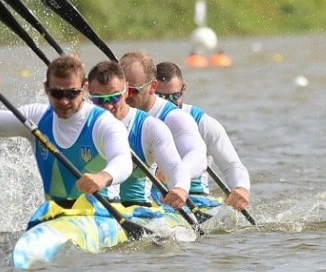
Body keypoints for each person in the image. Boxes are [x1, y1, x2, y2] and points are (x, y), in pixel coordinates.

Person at [0, 55, 134, 227]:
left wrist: (103, 176)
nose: (63, 101)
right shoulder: (35, 117)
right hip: (56, 216)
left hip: (102, 214)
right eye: (56, 93)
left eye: (72, 93)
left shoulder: (103, 122)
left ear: (84, 89)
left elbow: (123, 160)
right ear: (46, 88)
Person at [86, 61, 189, 211]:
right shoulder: (81, 121)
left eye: (114, 98)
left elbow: (175, 168)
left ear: (126, 91)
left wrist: (180, 188)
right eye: (99, 100)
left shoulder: (150, 127)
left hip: (138, 211)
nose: (107, 106)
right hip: (90, 209)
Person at [155, 61, 251, 212]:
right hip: (155, 198)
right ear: (150, 91)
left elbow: (231, 166)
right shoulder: (142, 120)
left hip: (195, 200)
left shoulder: (204, 124)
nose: (168, 104)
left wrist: (241, 188)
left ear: (184, 89)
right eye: (160, 97)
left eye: (174, 96)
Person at [119, 51, 209, 211]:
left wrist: (179, 182)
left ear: (152, 87)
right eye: (120, 90)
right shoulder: (100, 110)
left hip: (141, 206)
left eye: (132, 90)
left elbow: (198, 155)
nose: (124, 96)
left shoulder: (172, 119)